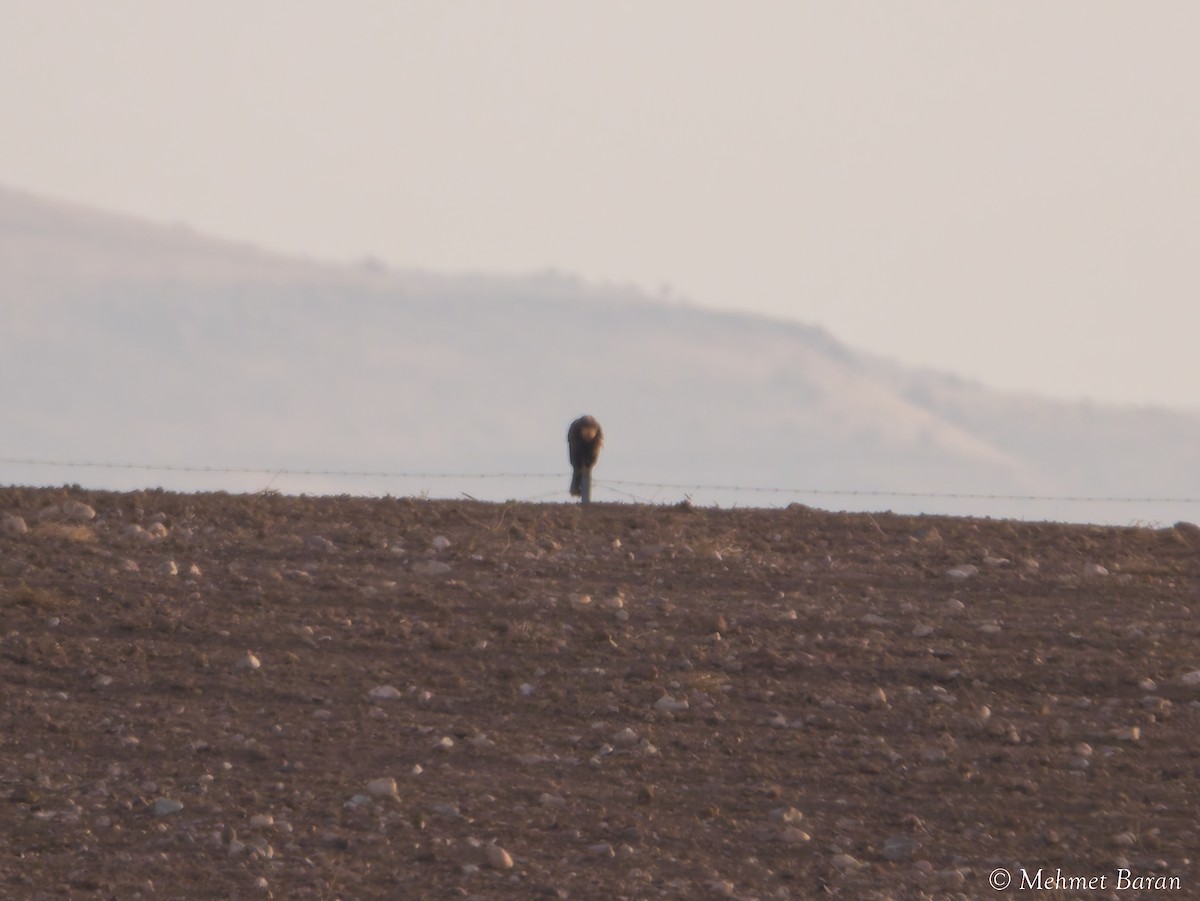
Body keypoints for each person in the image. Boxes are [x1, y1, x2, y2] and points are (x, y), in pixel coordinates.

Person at [567, 415, 603, 498]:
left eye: (591, 435)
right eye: (586, 434)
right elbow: (574, 453)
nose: (588, 437)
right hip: (577, 445)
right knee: (578, 467)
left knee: (589, 465)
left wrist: (590, 462)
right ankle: (575, 488)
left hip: (592, 446)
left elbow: (596, 450)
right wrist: (577, 463)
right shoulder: (574, 430)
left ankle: (584, 488)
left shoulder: (598, 433)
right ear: (581, 430)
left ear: (595, 431)